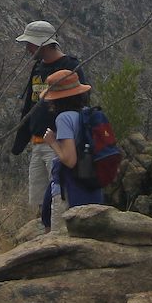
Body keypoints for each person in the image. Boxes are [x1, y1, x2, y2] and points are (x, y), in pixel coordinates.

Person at [10, 20, 85, 225]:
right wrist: (19, 143)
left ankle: (59, 234)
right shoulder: (37, 68)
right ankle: (45, 232)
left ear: (42, 44)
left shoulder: (69, 66)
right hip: (37, 143)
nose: (27, 48)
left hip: (59, 143)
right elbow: (30, 106)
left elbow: (81, 102)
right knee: (40, 201)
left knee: (59, 196)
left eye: (30, 44)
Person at [41, 69, 105, 233]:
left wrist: (52, 142)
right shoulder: (87, 114)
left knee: (59, 238)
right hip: (91, 184)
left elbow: (69, 160)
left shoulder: (64, 118)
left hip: (69, 189)